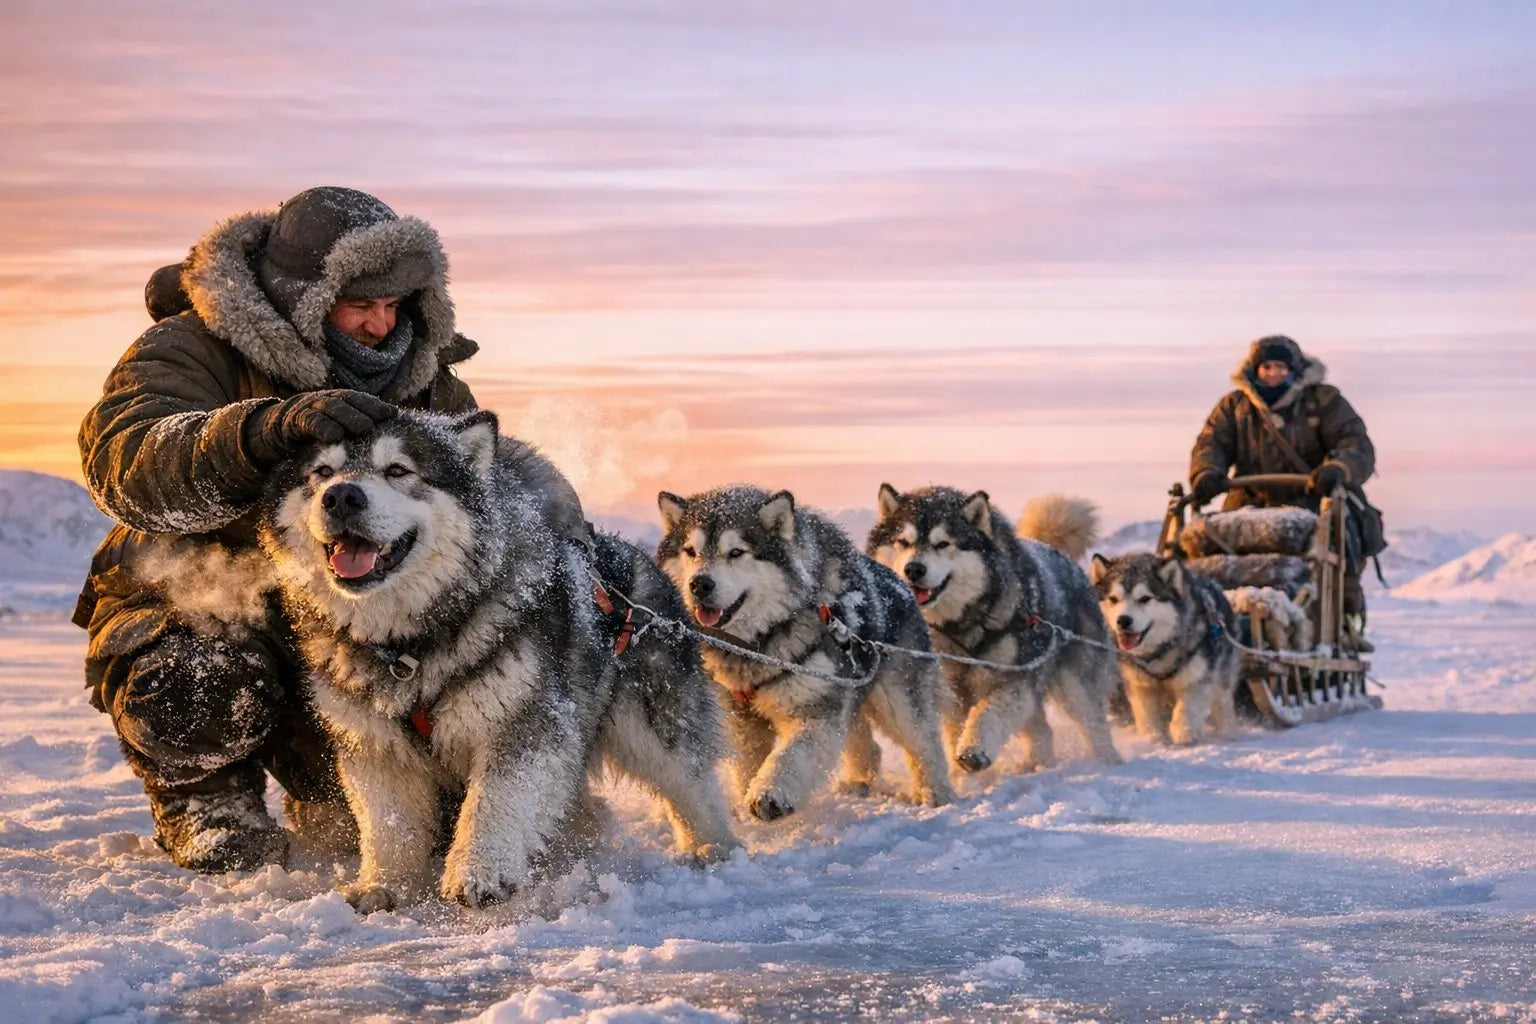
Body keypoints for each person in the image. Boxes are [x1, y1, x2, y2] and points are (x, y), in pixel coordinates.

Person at [72, 186, 585, 873]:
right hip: (207, 599)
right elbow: (128, 459)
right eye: (360, 304)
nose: (381, 325)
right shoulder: (191, 346)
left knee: (417, 806)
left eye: (394, 304)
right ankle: (206, 800)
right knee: (200, 687)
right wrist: (257, 433)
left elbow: (483, 485)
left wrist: (568, 533)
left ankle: (322, 793)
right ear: (301, 296)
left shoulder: (421, 372)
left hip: (354, 619)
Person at [1187, 335, 1377, 646]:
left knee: (1340, 547)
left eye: (1280, 367)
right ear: (1255, 370)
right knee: (1197, 547)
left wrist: (1337, 469)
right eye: (1266, 367)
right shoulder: (1235, 407)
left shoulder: (1323, 401)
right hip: (1248, 504)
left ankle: (1343, 625)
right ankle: (1203, 620)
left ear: (1295, 370)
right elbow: (1211, 444)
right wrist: (1206, 473)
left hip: (1312, 500)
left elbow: (1355, 443)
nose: (1273, 374)